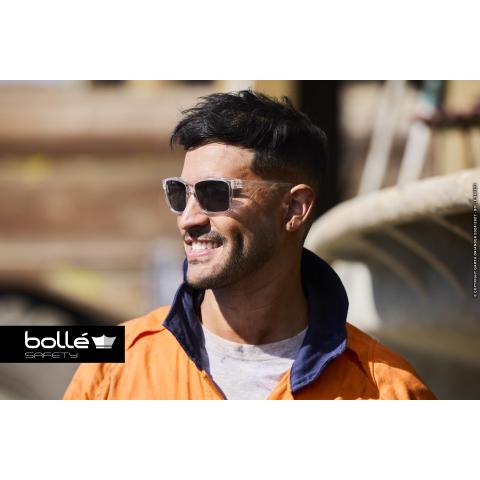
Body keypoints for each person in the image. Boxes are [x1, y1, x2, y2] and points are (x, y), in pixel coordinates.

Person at [63, 90, 435, 400]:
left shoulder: (388, 391)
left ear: (294, 208)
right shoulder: (111, 370)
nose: (187, 219)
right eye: (179, 193)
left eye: (214, 194)